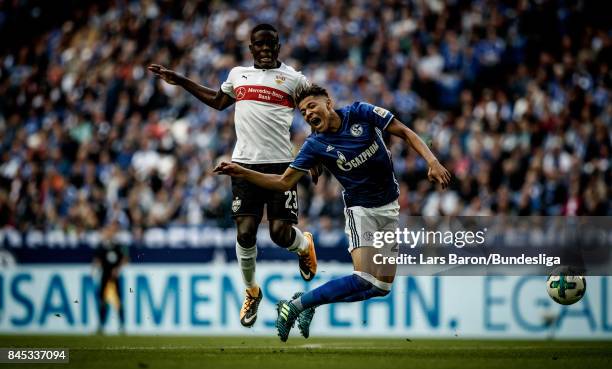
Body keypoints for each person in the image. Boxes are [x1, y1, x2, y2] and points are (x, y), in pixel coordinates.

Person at [214, 84, 451, 341]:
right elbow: (284, 183)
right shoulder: (315, 144)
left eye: (311, 106)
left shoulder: (360, 112)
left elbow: (404, 132)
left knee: (381, 286)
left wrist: (433, 161)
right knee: (363, 278)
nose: (307, 114)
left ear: (328, 101)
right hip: (362, 211)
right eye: (303, 112)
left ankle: (307, 302)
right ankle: (293, 307)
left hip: (390, 207)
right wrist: (242, 172)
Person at [148, 24, 317, 327]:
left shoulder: (294, 79)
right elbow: (217, 101)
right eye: (259, 45)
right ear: (250, 49)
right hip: (244, 166)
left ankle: (304, 246)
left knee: (280, 235)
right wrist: (181, 81)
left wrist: (315, 152)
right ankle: (252, 291)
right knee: (245, 232)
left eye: (270, 45)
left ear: (278, 48)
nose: (264, 49)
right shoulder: (238, 75)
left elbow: (313, 110)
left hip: (281, 167)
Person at [93, 220, 128, 334]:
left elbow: (125, 258)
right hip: (105, 276)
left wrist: (118, 269)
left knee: (118, 301)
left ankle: (122, 326)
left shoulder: (118, 245)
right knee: (103, 301)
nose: (110, 233)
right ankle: (101, 326)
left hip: (114, 278)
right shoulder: (102, 245)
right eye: (108, 230)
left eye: (112, 230)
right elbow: (97, 259)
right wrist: (95, 267)